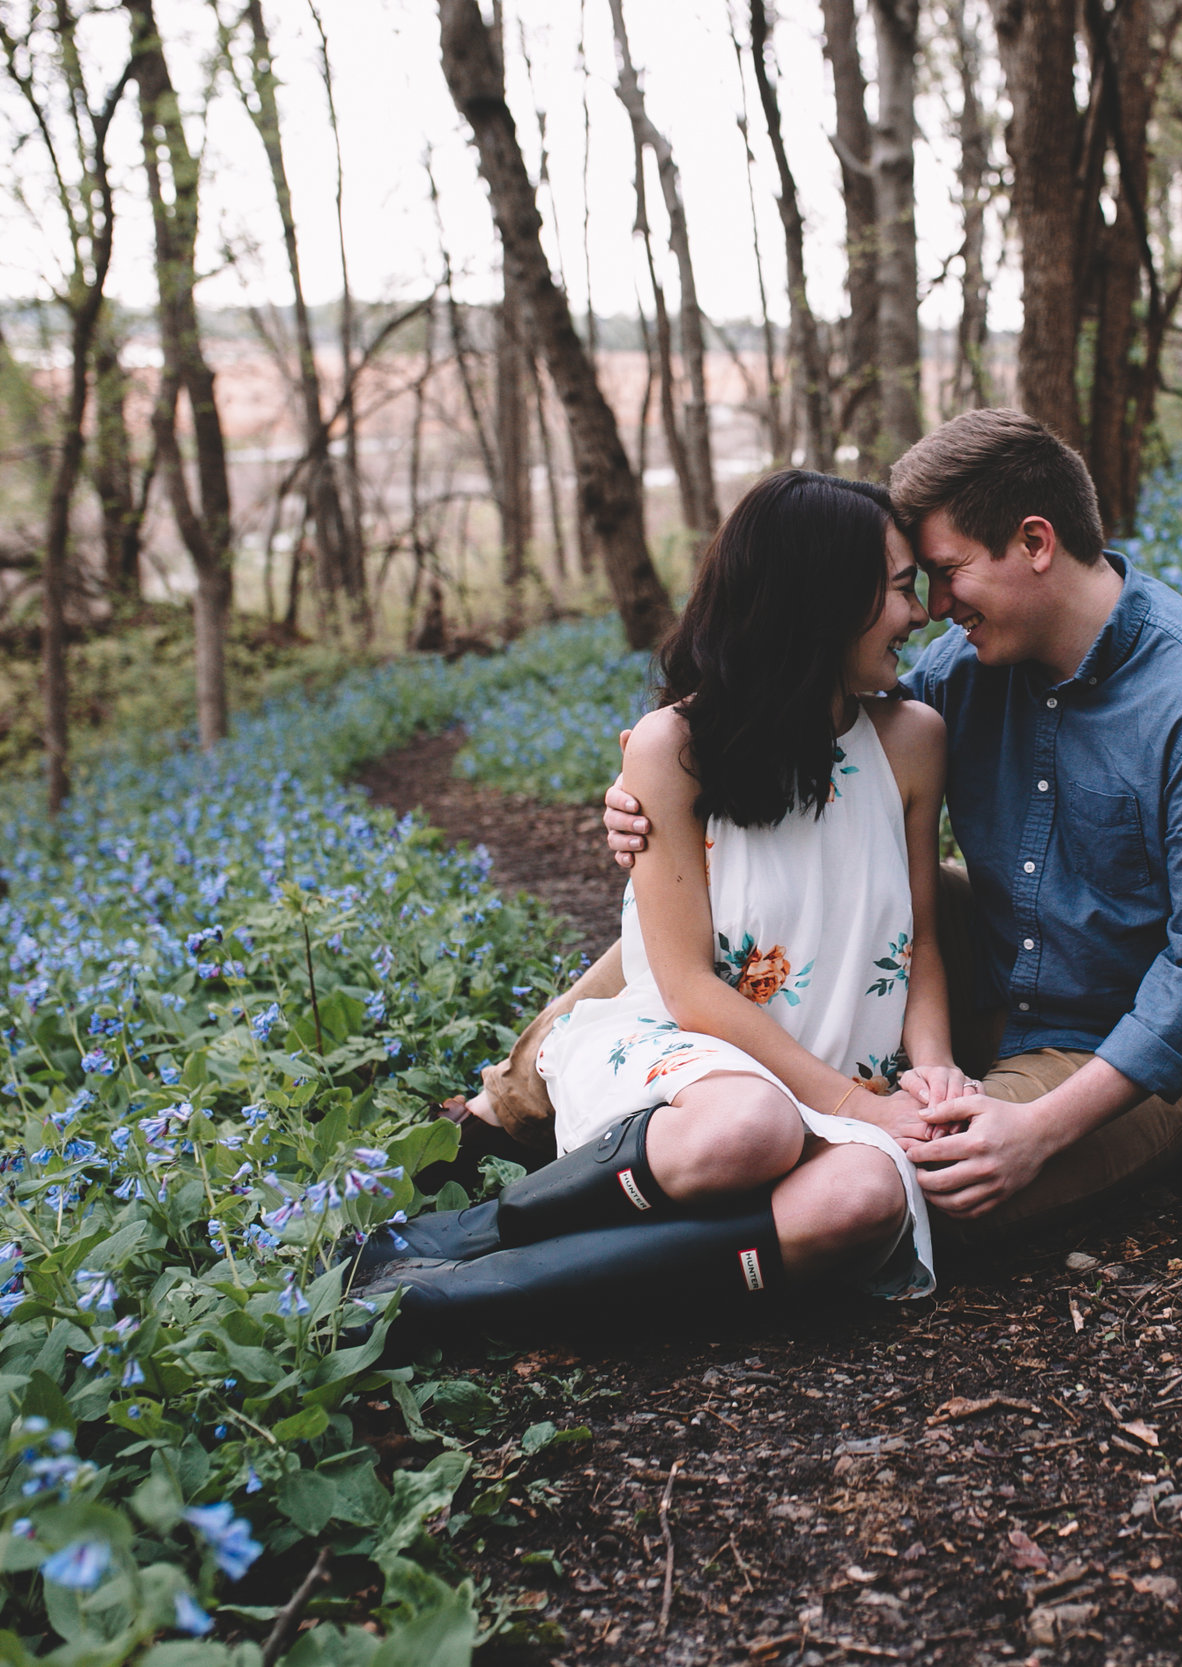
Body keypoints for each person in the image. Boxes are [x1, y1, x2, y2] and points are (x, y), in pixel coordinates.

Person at [580, 409, 1182, 1240]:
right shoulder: (964, 668)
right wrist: (656, 789)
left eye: (947, 571)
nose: (930, 606)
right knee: (713, 903)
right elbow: (808, 744)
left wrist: (1041, 1127)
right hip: (992, 972)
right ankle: (508, 1100)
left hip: (1121, 1050)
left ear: (1035, 541)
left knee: (923, 1170)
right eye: (915, 581)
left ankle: (643, 1248)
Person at [339, 471, 963, 1358]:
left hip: (840, 1079)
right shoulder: (675, 747)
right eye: (902, 589)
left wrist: (931, 1076)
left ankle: (475, 1300)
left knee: (864, 1199)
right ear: (825, 597)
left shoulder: (913, 741)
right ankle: (469, 1239)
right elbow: (687, 989)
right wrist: (854, 1106)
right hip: (688, 1057)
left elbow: (925, 940)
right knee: (750, 1127)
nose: (921, 612)